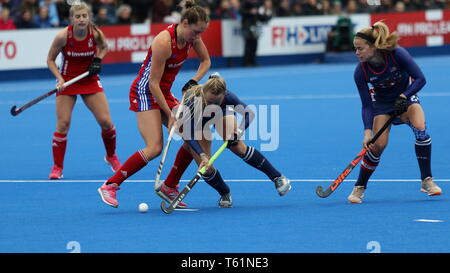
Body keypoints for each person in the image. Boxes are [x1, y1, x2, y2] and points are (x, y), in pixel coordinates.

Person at [97, 0, 211, 208]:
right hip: (145, 92)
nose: (197, 37)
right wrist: (171, 114)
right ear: (185, 23)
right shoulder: (164, 42)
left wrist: (193, 81)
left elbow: (206, 62)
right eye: (195, 32)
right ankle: (110, 185)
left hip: (163, 92)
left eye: (201, 33)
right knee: (155, 147)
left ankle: (169, 186)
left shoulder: (191, 38)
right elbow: (153, 83)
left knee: (191, 135)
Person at [156, 73, 292, 208]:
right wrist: (202, 155)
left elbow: (249, 113)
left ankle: (277, 177)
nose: (212, 105)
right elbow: (188, 134)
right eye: (209, 102)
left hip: (223, 114)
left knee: (238, 146)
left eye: (217, 102)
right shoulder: (192, 101)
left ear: (224, 94)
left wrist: (238, 131)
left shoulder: (228, 97)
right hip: (198, 123)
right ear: (203, 94)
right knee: (205, 167)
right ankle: (225, 193)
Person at [348, 21, 442, 203]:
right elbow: (367, 105)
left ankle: (427, 180)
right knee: (377, 146)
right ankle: (359, 186)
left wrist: (404, 96)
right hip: (382, 105)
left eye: (360, 49)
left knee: (420, 129)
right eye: (355, 49)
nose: (356, 53)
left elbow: (421, 79)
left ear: (373, 47)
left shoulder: (397, 54)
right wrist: (367, 132)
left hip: (405, 98)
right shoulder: (361, 72)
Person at [46, 2, 121, 179]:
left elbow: (104, 47)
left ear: (89, 17)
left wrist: (98, 59)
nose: (81, 20)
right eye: (77, 17)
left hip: (89, 80)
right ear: (71, 19)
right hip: (68, 81)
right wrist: (60, 78)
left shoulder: (95, 33)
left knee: (106, 122)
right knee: (63, 124)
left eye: (84, 16)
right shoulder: (63, 36)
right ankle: (57, 167)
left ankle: (111, 157)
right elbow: (50, 60)